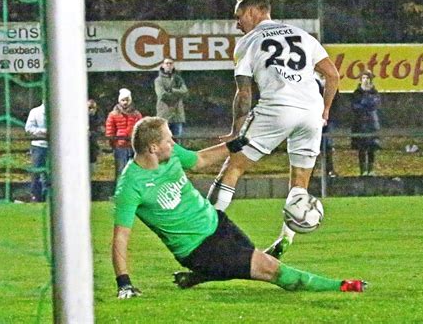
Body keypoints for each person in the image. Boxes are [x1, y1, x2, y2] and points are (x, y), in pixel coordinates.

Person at [112, 117, 366, 299]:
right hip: (199, 249)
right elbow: (120, 237)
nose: (173, 142)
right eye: (169, 139)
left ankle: (197, 277)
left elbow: (200, 160)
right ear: (153, 148)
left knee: (256, 262)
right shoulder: (130, 187)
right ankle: (345, 286)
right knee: (273, 271)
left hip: (219, 224)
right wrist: (124, 283)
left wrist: (234, 144)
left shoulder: (171, 153)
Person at [207, 0, 340, 259]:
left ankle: (204, 237)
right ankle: (284, 240)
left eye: (239, 15)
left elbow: (243, 94)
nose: (237, 23)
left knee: (233, 167)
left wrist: (236, 132)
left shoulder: (247, 42)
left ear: (255, 10)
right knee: (299, 184)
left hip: (278, 107)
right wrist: (325, 109)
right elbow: (332, 74)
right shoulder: (302, 35)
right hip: (311, 112)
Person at [105, 88, 142, 181]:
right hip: (120, 145)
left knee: (134, 169)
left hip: (133, 145)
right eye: (123, 100)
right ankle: (119, 191)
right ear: (119, 100)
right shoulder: (113, 114)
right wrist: (112, 142)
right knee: (121, 169)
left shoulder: (136, 114)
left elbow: (140, 128)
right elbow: (110, 129)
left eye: (127, 100)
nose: (125, 102)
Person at [351, 70, 381, 176]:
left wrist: (365, 102)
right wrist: (366, 103)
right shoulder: (356, 93)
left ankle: (371, 169)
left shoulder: (374, 92)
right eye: (363, 78)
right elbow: (355, 106)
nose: (365, 80)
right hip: (360, 123)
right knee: (361, 148)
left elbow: (375, 104)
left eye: (367, 78)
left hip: (372, 124)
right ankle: (363, 170)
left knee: (371, 147)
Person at [154, 57, 188, 142]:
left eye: (171, 63)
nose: (169, 65)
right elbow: (162, 95)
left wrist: (172, 90)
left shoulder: (178, 79)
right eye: (167, 63)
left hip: (177, 115)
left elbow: (185, 92)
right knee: (164, 141)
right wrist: (177, 95)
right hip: (164, 115)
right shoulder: (158, 80)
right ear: (162, 65)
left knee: (177, 142)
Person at [25, 102, 48, 202]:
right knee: (36, 172)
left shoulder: (60, 111)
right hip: (39, 146)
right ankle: (35, 196)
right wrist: (43, 132)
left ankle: (50, 196)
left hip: (55, 146)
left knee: (53, 173)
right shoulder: (35, 111)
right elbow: (28, 128)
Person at [88, 99, 104, 175]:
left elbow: (101, 130)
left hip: (93, 147)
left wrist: (91, 133)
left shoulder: (99, 118)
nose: (91, 110)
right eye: (89, 108)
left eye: (93, 107)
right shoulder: (80, 117)